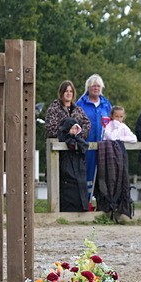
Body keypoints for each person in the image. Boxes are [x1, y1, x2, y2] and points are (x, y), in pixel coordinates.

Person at [44, 80, 90, 212]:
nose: (68, 93)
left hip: (75, 154)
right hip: (59, 153)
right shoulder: (54, 108)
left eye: (70, 91)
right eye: (66, 91)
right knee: (59, 180)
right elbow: (50, 129)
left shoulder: (78, 110)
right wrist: (66, 132)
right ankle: (56, 209)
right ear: (61, 93)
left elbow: (87, 124)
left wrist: (78, 134)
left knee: (76, 180)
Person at [75, 73, 113, 204]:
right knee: (87, 174)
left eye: (98, 86)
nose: (96, 88)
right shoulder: (81, 103)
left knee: (104, 174)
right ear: (88, 87)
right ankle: (85, 202)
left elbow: (112, 123)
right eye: (93, 86)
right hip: (87, 146)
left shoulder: (106, 104)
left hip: (103, 146)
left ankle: (103, 203)